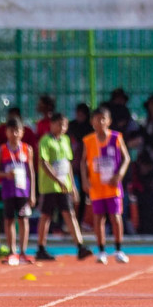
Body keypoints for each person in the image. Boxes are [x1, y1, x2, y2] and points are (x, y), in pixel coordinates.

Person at [35, 112, 93, 261]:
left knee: (70, 214)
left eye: (65, 125)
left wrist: (73, 186)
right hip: (49, 186)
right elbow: (44, 162)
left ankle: (80, 246)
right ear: (52, 124)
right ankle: (41, 248)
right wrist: (56, 180)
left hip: (64, 186)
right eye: (59, 124)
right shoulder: (46, 141)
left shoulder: (66, 140)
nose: (62, 128)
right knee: (46, 216)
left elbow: (67, 165)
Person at [79, 104, 130, 264]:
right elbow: (82, 162)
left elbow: (126, 158)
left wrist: (119, 174)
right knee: (98, 218)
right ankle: (101, 251)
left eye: (103, 119)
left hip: (112, 186)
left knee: (115, 217)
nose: (100, 122)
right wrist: (85, 180)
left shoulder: (116, 137)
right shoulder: (88, 141)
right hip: (96, 186)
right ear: (92, 122)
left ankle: (119, 249)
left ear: (109, 121)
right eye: (97, 119)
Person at [0, 116, 36, 265]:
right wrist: (6, 175)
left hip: (23, 192)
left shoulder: (27, 149)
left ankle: (23, 252)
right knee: (9, 220)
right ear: (6, 132)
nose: (14, 134)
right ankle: (12, 252)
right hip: (8, 191)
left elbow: (31, 171)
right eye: (11, 131)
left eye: (17, 131)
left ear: (22, 132)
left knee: (24, 220)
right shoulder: (2, 150)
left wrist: (32, 193)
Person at [67, 102, 94, 226]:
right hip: (72, 165)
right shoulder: (71, 126)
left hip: (86, 165)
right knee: (68, 192)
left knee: (84, 194)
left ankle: (79, 220)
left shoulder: (90, 129)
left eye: (82, 114)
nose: (79, 116)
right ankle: (67, 221)